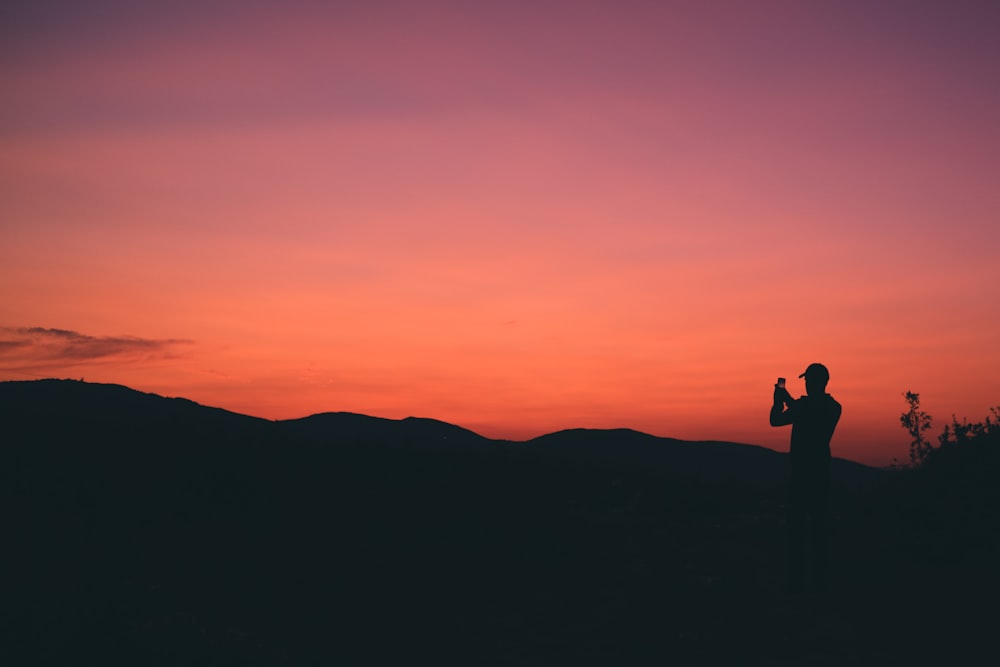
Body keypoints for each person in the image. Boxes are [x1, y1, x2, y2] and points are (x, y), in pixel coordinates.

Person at [770, 363, 842, 593]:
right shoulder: (819, 406)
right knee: (803, 532)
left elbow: (808, 416)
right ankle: (804, 585)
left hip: (811, 476)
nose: (807, 385)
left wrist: (787, 399)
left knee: (813, 532)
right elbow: (775, 420)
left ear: (818, 382)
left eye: (809, 381)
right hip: (807, 475)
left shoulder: (830, 407)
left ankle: (810, 586)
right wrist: (777, 402)